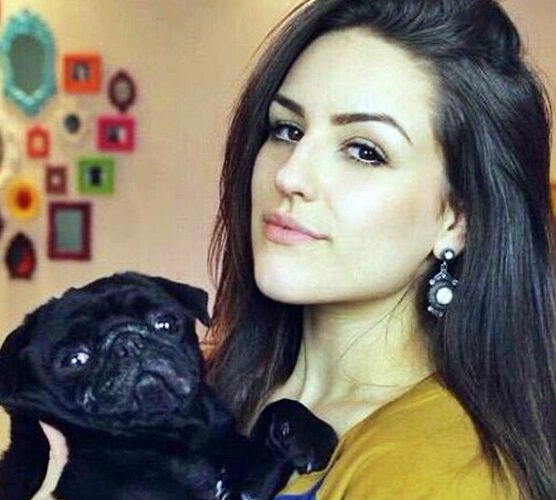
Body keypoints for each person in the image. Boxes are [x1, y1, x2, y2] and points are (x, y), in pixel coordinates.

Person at [32, 0, 556, 498]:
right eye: (287, 129)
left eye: (364, 151)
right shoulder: (202, 390)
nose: (290, 174)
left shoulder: (444, 469)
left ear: (457, 218)